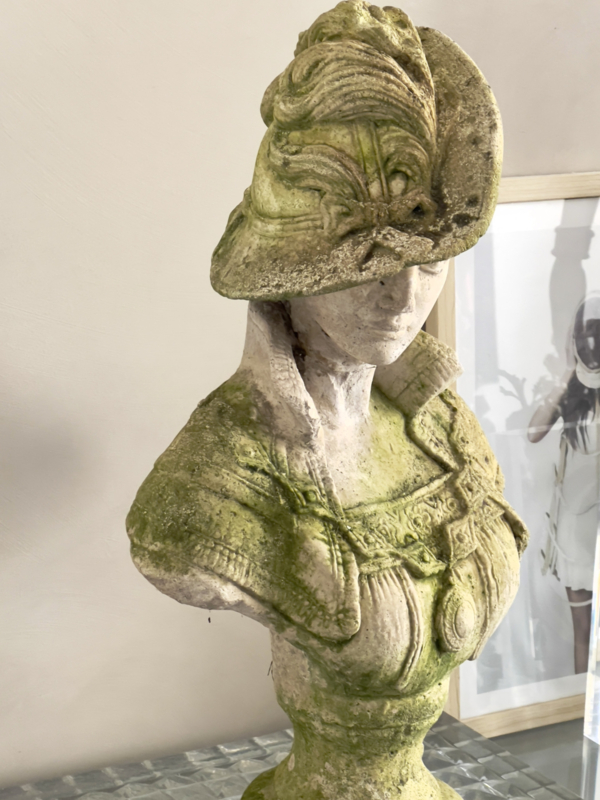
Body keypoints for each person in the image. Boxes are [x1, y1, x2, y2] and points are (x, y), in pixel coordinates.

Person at [126, 4, 527, 800]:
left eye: (431, 262)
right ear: (293, 264)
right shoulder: (214, 480)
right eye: (371, 264)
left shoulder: (443, 425)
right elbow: (174, 547)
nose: (405, 297)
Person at [529, 294, 600, 674]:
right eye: (583, 336)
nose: (591, 345)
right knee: (583, 632)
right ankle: (581, 703)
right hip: (575, 529)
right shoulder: (572, 391)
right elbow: (534, 432)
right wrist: (567, 375)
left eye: (597, 335)